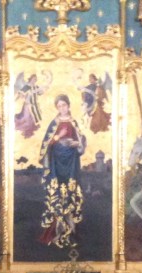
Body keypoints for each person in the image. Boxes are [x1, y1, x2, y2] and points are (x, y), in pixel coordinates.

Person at [38, 94, 87, 248]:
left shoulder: (73, 122)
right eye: (59, 106)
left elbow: (81, 141)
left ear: (68, 105)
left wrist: (77, 143)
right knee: (57, 192)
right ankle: (56, 232)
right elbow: (46, 145)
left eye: (64, 105)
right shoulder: (54, 123)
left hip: (71, 162)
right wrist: (58, 136)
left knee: (71, 192)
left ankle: (71, 232)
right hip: (56, 163)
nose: (62, 108)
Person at [14, 74, 45, 139]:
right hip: (28, 105)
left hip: (34, 105)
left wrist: (43, 89)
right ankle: (24, 128)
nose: (34, 80)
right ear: (30, 79)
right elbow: (20, 94)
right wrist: (23, 97)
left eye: (35, 79)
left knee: (33, 118)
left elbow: (40, 93)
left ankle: (29, 130)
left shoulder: (36, 87)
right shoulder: (27, 86)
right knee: (26, 118)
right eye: (33, 79)